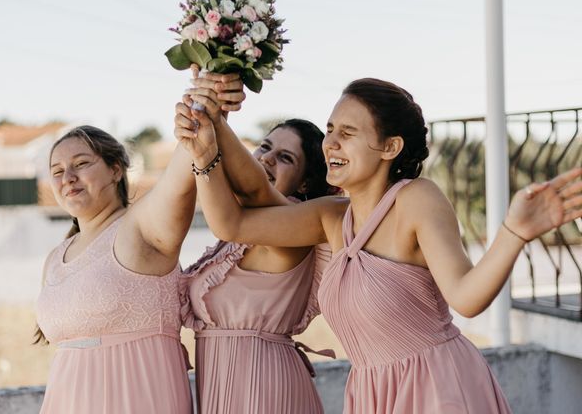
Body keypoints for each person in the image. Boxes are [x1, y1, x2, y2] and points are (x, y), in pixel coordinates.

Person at [176, 77, 582, 414]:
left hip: (437, 389)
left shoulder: (416, 199)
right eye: (330, 130)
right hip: (372, 393)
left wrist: (513, 232)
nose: (330, 144)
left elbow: (467, 297)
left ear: (390, 147)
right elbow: (230, 223)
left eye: (347, 133)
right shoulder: (332, 217)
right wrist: (204, 149)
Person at [35, 77, 244, 414]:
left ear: (116, 169)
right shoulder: (55, 259)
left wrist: (206, 98)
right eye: (56, 170)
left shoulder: (140, 229)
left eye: (81, 164)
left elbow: (183, 166)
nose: (67, 178)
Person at [174, 78, 338, 414]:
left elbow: (254, 191)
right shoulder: (236, 238)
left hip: (264, 391)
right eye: (264, 147)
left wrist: (213, 122)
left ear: (305, 181)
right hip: (223, 392)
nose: (266, 159)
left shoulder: (296, 227)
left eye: (285, 157)